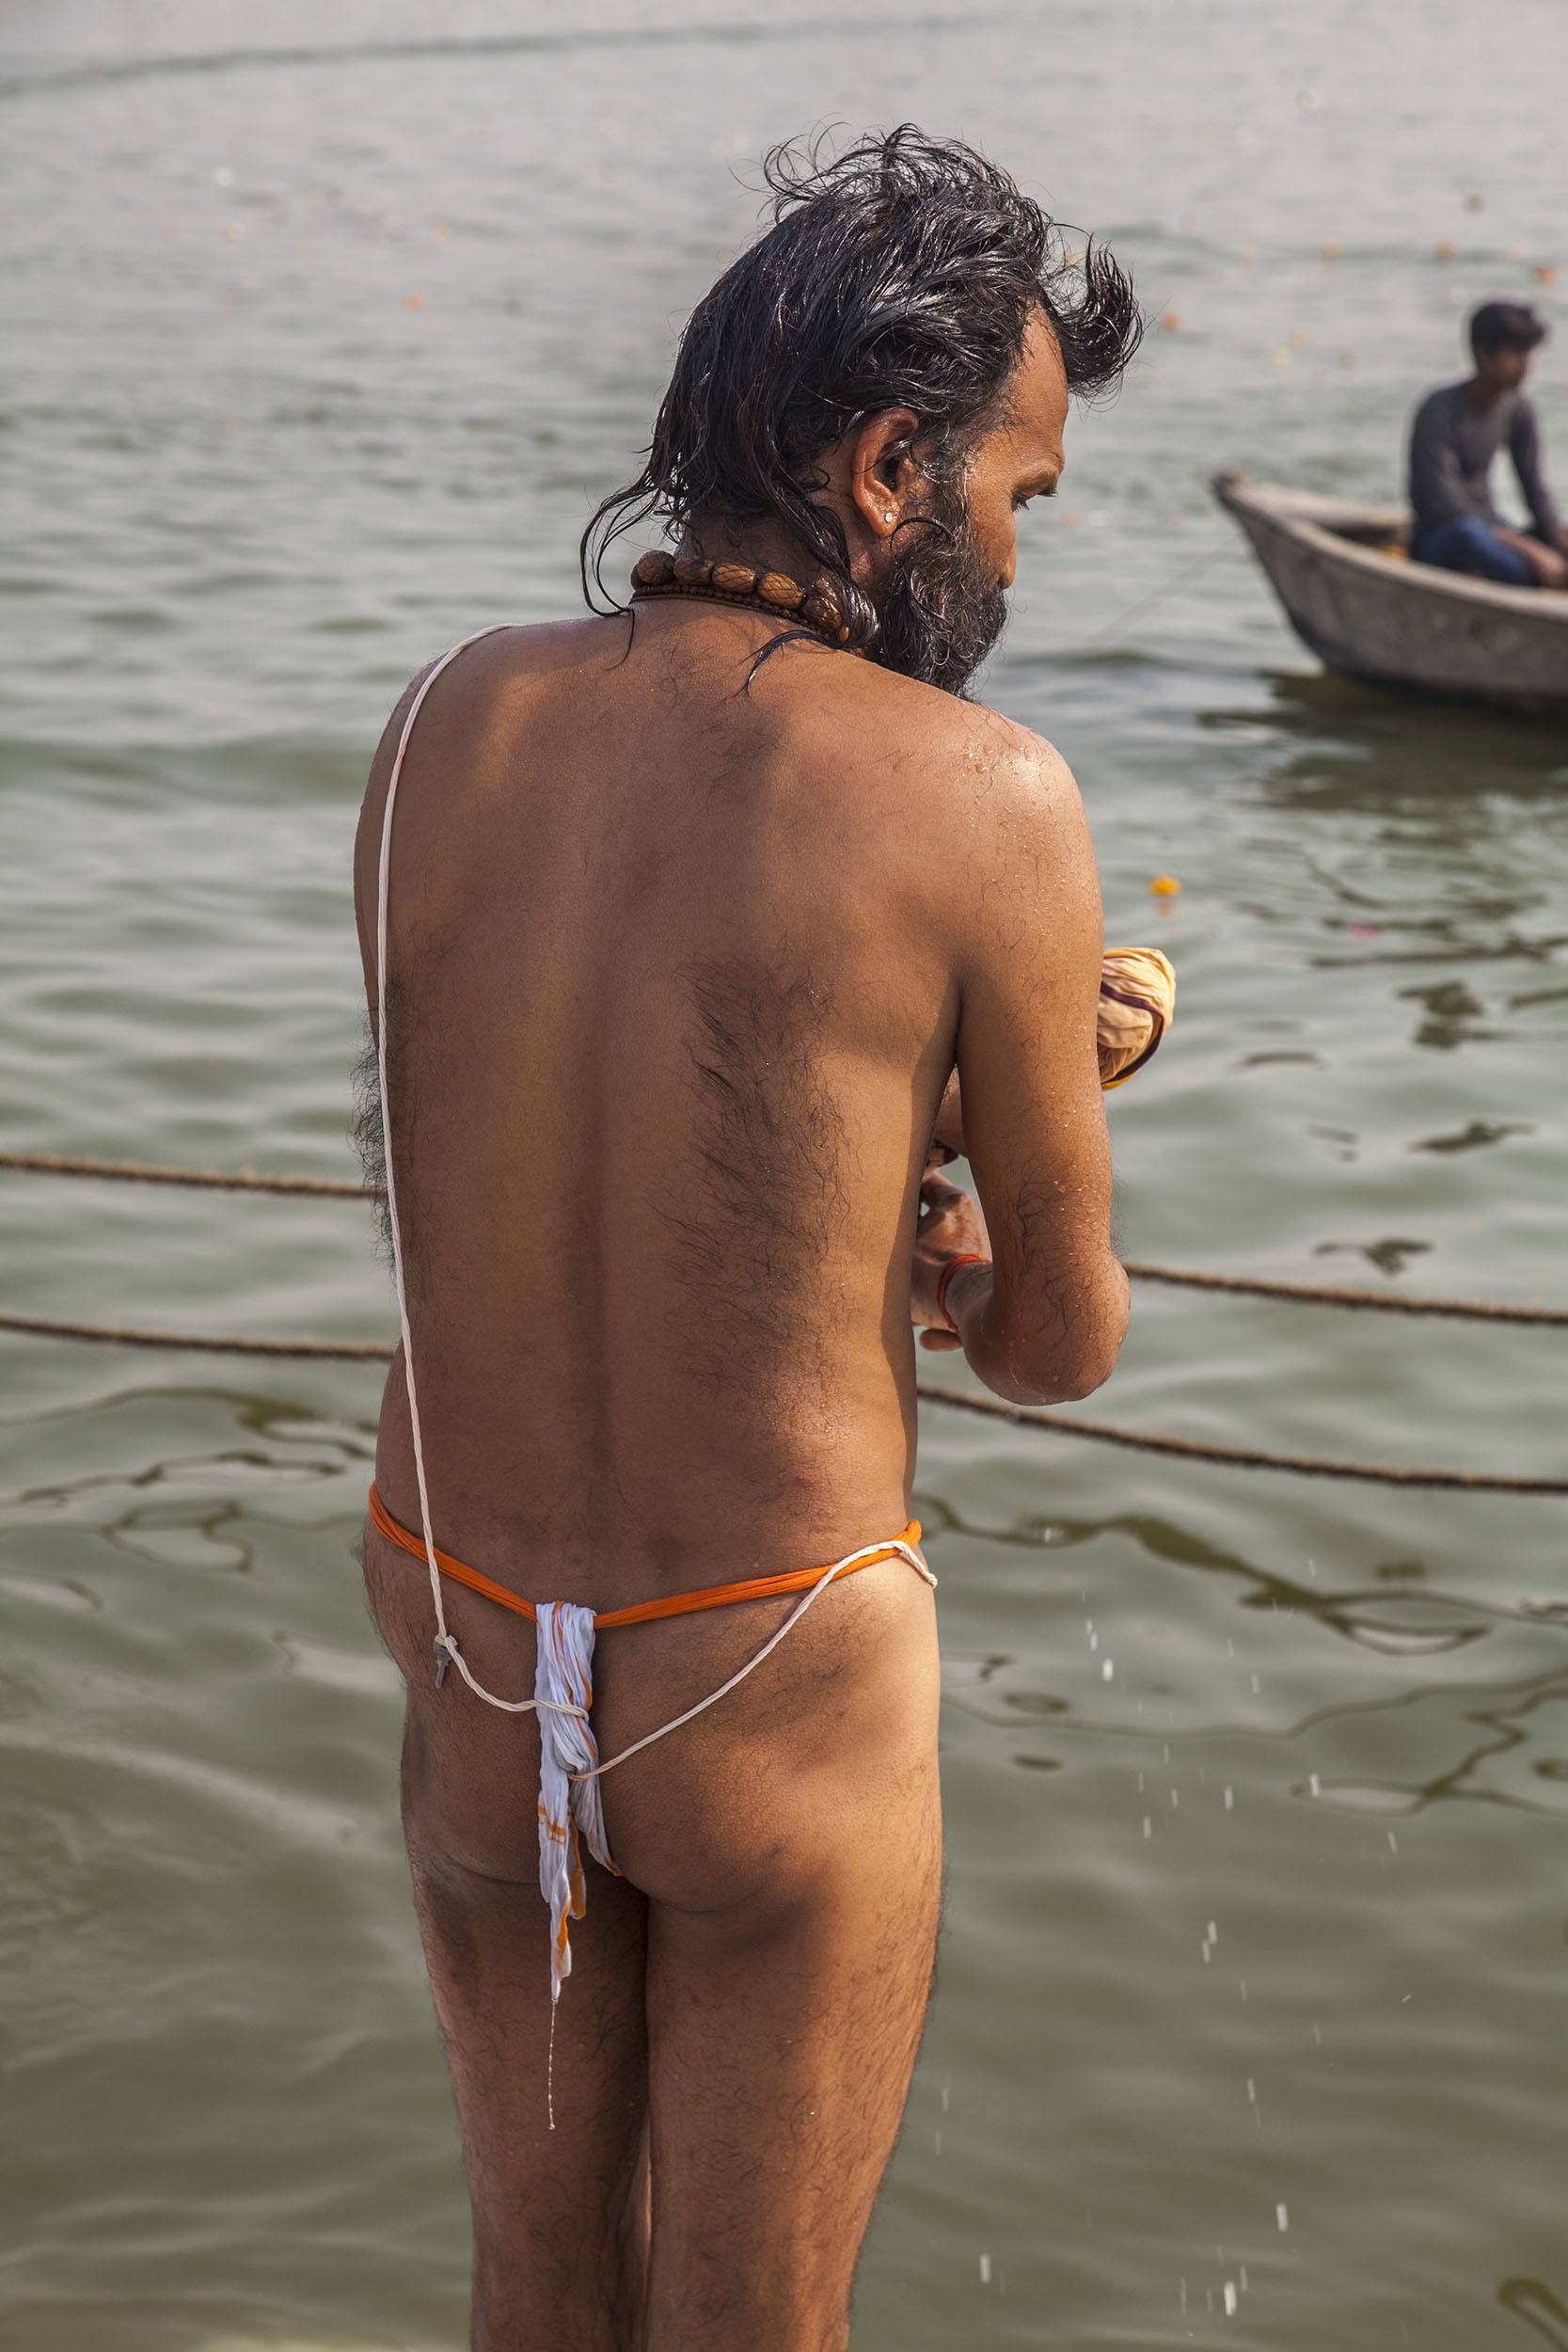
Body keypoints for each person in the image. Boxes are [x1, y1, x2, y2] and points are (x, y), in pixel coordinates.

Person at [353, 127, 1142, 2351]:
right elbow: (1057, 1349)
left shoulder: (440, 727)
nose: (1011, 546)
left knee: (536, 2296)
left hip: (475, 1632)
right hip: (758, 1668)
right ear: (894, 462)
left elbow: (518, 1172)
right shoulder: (987, 798)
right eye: (1016, 488)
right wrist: (982, 1242)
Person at [1406, 300, 1568, 589]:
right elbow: (1444, 506)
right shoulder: (1439, 410)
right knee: (1470, 536)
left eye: (1528, 353)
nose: (1526, 364)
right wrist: (1531, 551)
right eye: (1516, 353)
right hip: (1442, 536)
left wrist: (1556, 539)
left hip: (1492, 528)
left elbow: (1535, 490)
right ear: (1483, 354)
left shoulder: (1518, 410)